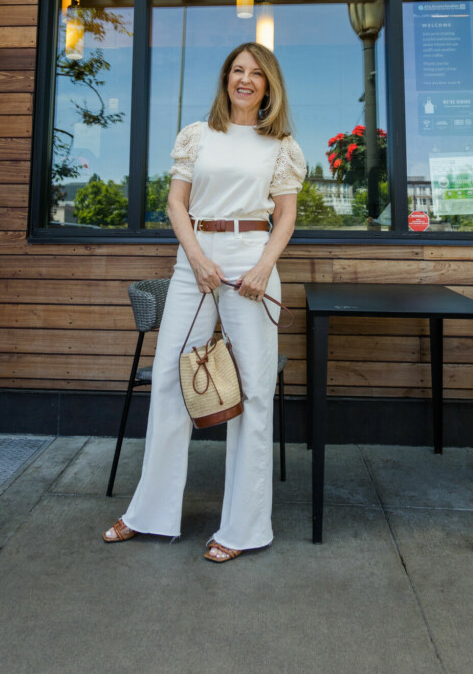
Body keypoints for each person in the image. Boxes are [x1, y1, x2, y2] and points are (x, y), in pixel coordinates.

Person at [103, 42, 306, 562]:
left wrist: (262, 266)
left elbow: (284, 215)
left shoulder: (279, 145)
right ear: (226, 79)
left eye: (255, 74)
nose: (245, 79)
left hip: (251, 261)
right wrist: (195, 258)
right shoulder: (198, 135)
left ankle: (243, 529)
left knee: (255, 394)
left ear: (268, 85)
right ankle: (148, 513)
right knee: (171, 379)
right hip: (195, 260)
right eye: (237, 70)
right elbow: (176, 202)